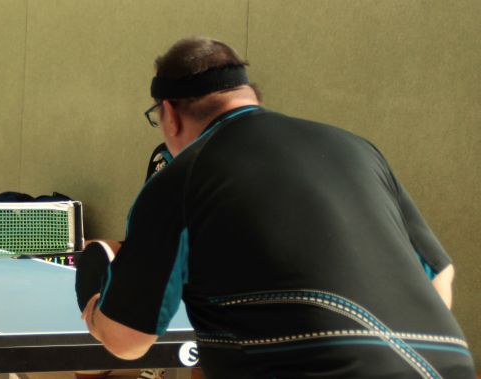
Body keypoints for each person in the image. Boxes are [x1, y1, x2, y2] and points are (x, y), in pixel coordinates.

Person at [77, 36, 475, 378]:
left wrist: (92, 297)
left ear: (169, 114)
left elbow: (126, 340)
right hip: (447, 366)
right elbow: (440, 279)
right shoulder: (358, 150)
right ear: (250, 94)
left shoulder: (179, 179)